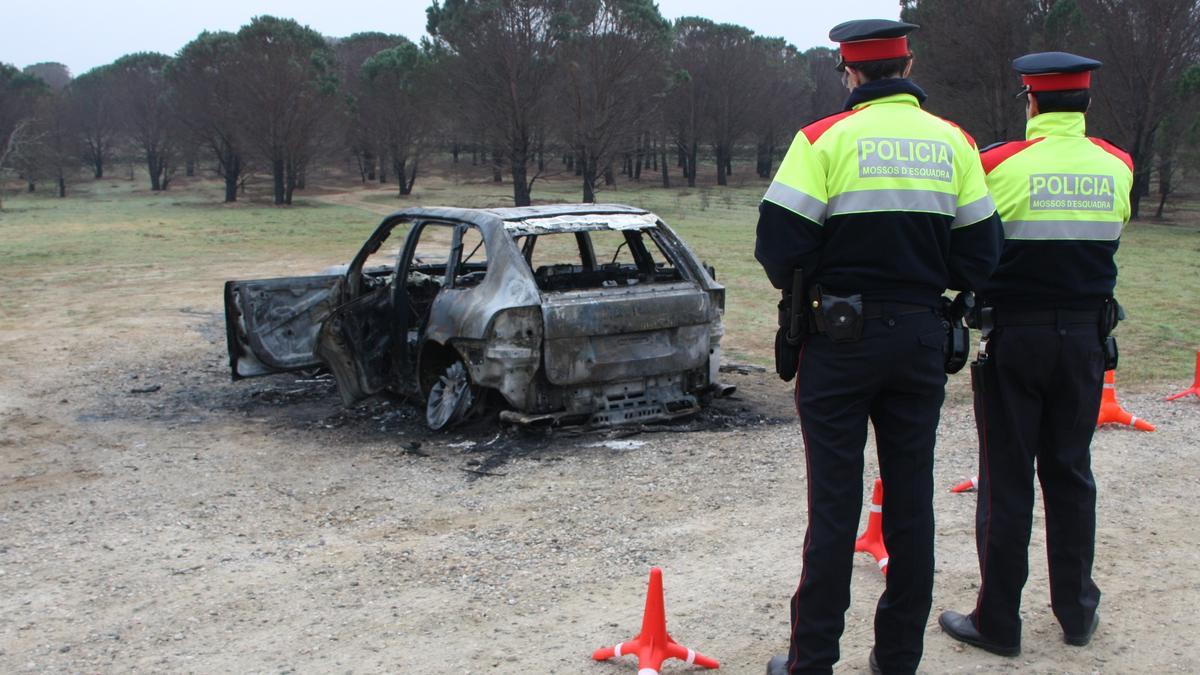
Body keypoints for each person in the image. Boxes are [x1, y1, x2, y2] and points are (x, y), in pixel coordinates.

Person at [756, 18, 1002, 675]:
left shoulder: (821, 139)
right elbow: (981, 254)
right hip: (922, 339)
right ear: (908, 64)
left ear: (850, 71)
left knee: (834, 507)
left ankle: (812, 660)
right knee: (911, 504)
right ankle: (897, 659)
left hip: (839, 343)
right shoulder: (956, 142)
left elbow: (777, 247)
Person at [939, 52, 1133, 657]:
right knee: (1071, 474)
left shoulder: (996, 162)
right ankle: (1077, 612)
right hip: (1085, 341)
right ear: (1087, 104)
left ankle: (998, 621)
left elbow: (965, 241)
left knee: (1007, 480)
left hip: (1014, 339)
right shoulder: (1118, 165)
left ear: (1031, 100)